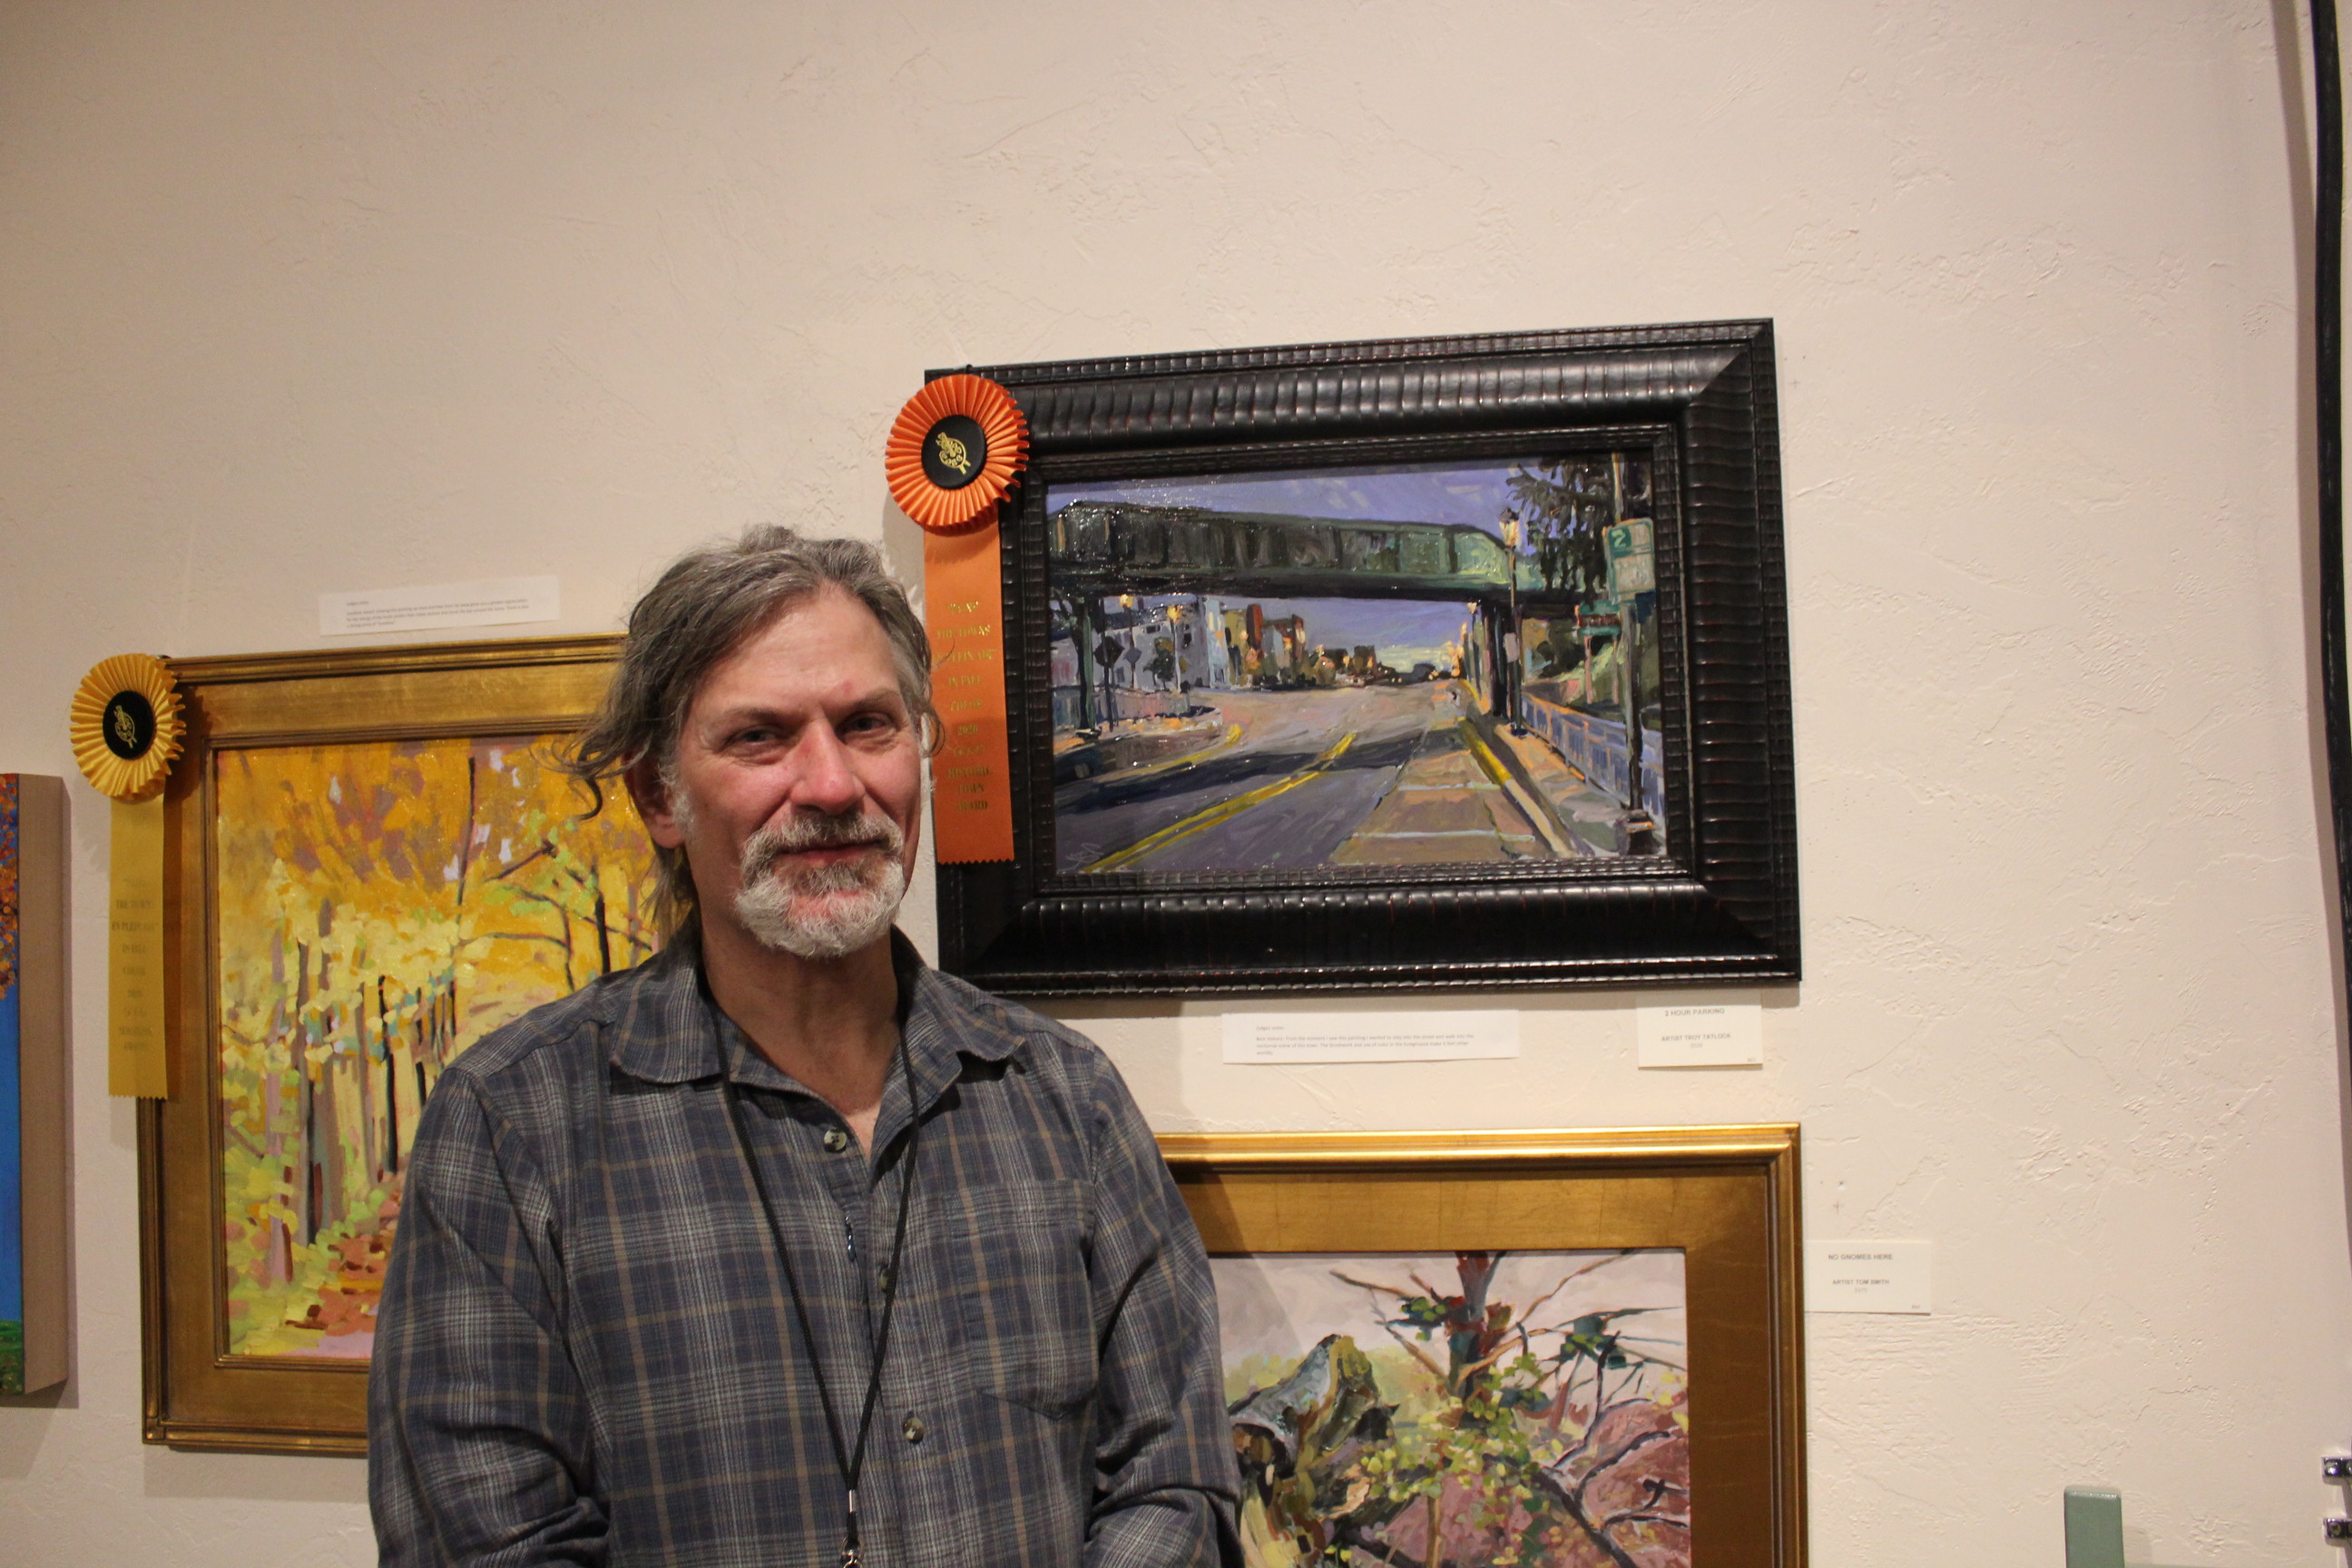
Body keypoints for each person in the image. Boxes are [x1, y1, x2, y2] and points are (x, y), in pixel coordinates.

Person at [368, 526, 1240, 1567]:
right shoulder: (514, 1128)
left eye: (868, 725)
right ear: (657, 796)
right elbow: (485, 1543)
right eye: (760, 737)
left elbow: (1174, 1481)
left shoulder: (1064, 1096)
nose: (830, 785)